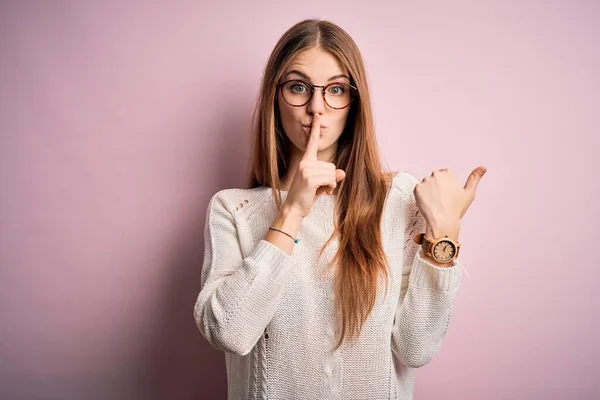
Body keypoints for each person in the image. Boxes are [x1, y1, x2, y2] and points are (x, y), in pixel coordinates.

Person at [193, 18, 486, 400]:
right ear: (274, 96)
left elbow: (416, 348)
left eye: (335, 90)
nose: (317, 108)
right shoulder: (234, 209)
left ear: (354, 101)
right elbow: (229, 331)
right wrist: (291, 212)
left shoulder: (398, 199)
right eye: (298, 87)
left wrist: (444, 235)